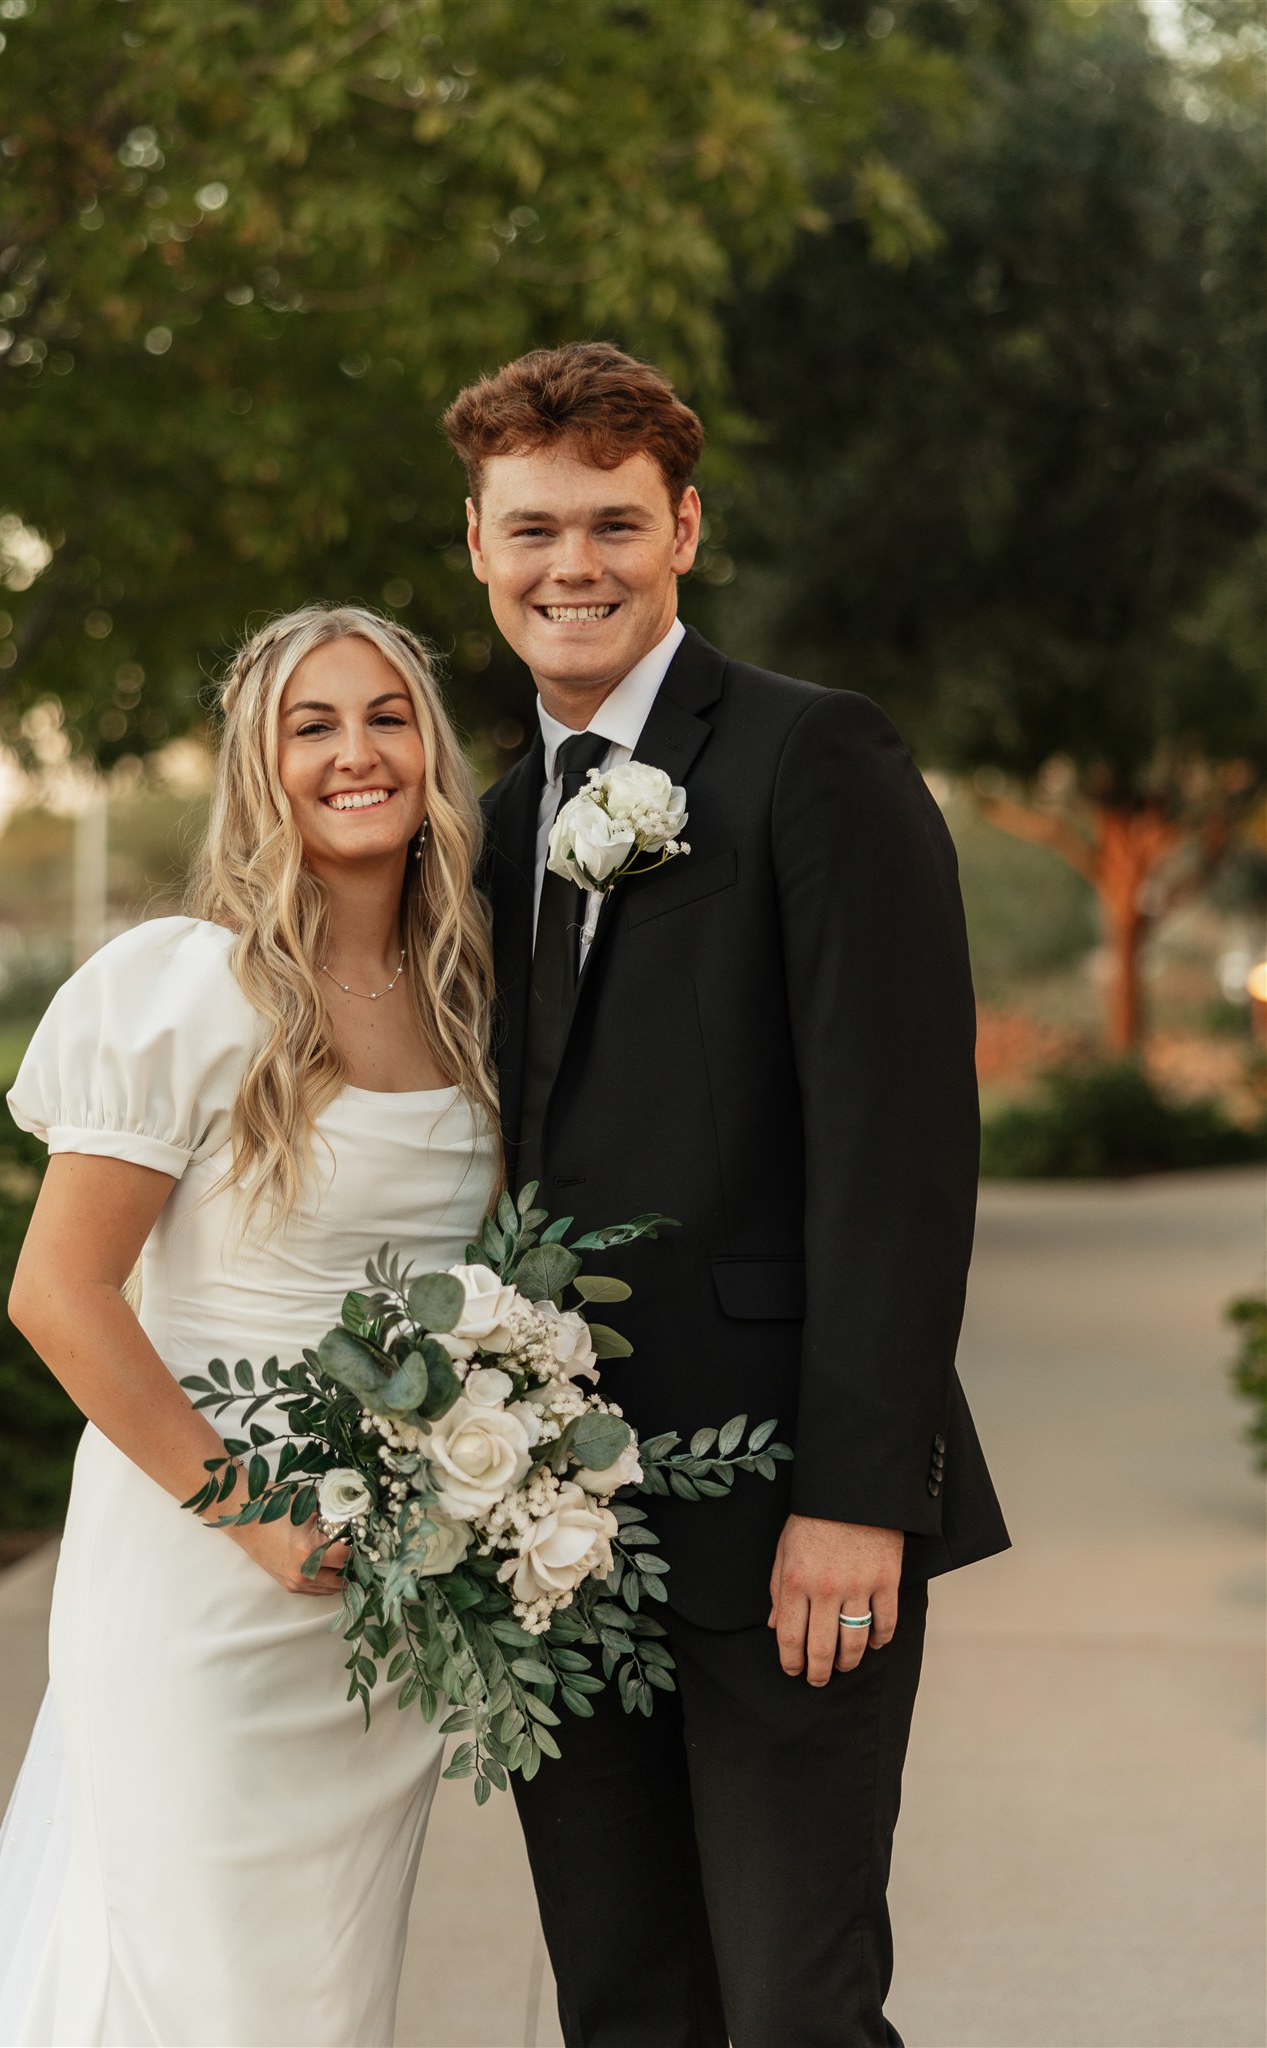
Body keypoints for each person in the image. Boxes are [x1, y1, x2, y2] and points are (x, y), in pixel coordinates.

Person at [445, 342, 1011, 2048]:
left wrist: (858, 1495)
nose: (573, 567)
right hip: (552, 1525)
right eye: (532, 528)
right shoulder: (479, 827)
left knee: (792, 2010)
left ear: (684, 528)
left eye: (614, 524)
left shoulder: (807, 758)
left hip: (782, 1509)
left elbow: (900, 1159)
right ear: (475, 547)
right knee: (623, 2002)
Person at [0, 606, 501, 2048]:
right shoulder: (184, 988)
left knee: (323, 1998)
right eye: (312, 726)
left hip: (382, 1605)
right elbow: (55, 1294)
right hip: (202, 1582)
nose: (355, 753)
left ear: (431, 753)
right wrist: (251, 1513)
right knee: (213, 1997)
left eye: (386, 718)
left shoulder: (475, 997)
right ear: (259, 767)